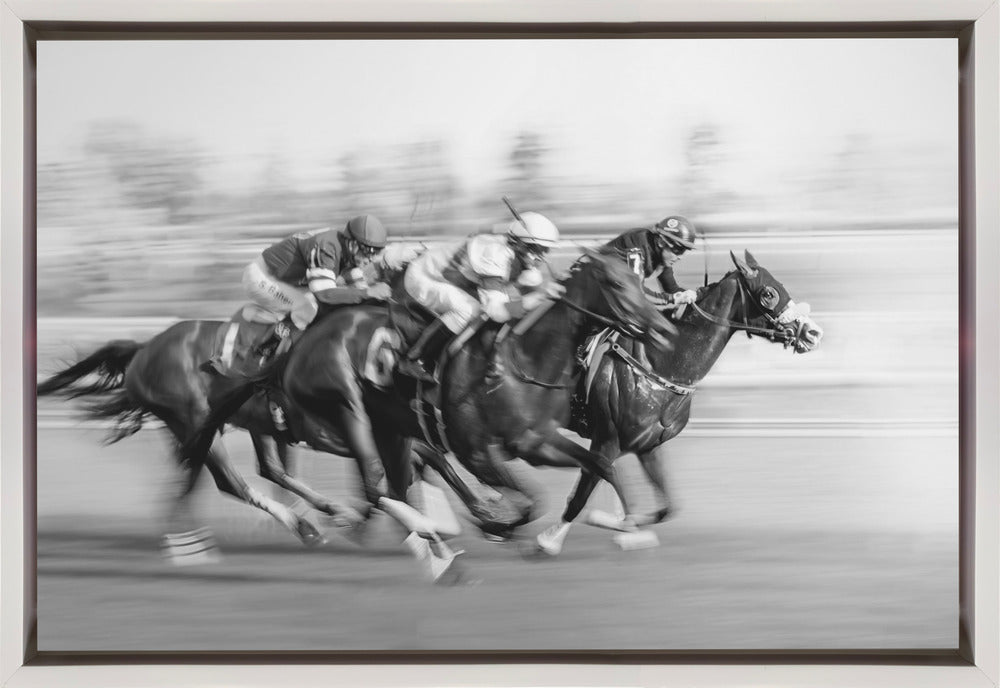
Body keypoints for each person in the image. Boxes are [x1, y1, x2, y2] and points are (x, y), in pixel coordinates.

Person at [395, 210, 563, 382]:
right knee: (468, 310)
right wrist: (539, 296)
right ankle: (417, 359)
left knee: (512, 300)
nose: (543, 257)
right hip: (423, 277)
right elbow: (496, 312)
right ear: (522, 246)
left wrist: (539, 291)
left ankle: (492, 353)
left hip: (456, 279)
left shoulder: (516, 256)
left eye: (546, 251)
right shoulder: (495, 255)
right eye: (540, 250)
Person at [241, 214, 395, 361]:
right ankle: (265, 350)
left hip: (286, 280)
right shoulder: (327, 246)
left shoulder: (346, 251)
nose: (371, 258)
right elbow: (325, 294)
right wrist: (369, 292)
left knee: (330, 301)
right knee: (307, 307)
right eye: (369, 251)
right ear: (353, 244)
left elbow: (357, 286)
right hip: (260, 276)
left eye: (376, 252)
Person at [599, 215, 700, 308]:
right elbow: (637, 293)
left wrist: (694, 296)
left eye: (684, 251)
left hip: (615, 294)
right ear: (661, 242)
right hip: (598, 291)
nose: (680, 257)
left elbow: (672, 290)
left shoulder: (661, 255)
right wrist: (671, 298)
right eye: (678, 250)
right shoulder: (636, 249)